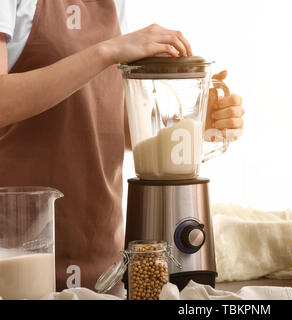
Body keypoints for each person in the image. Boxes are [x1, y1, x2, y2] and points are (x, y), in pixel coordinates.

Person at [0, 0, 244, 291]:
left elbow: (117, 123)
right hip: (17, 252)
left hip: (103, 256)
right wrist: (107, 51)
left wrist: (195, 123)